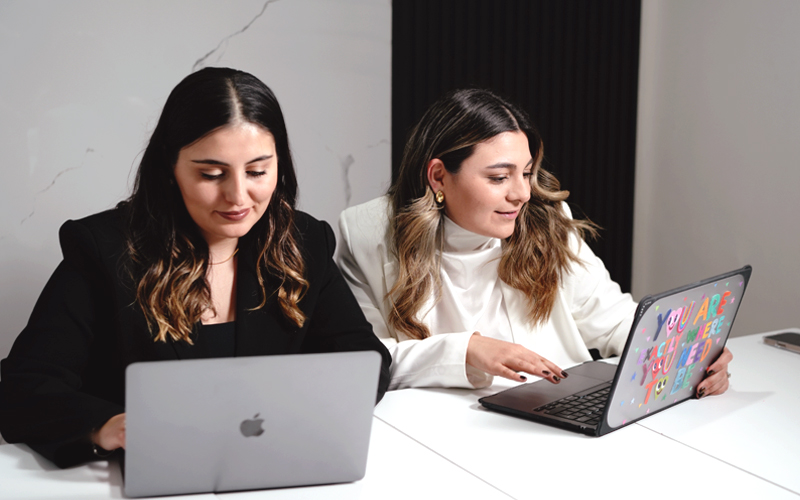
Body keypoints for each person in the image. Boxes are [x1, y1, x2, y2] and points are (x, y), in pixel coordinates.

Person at [0, 67, 391, 468]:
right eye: (211, 174)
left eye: (257, 171)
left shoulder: (304, 241)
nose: (238, 195)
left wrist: (296, 411)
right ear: (171, 169)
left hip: (274, 467)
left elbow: (366, 362)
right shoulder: (103, 249)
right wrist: (108, 426)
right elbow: (23, 388)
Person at [337, 88, 731, 395]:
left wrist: (689, 351)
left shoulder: (546, 220)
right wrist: (468, 350)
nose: (522, 193)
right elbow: (365, 360)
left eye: (526, 173)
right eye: (498, 177)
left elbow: (613, 320)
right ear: (438, 177)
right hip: (441, 433)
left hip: (555, 415)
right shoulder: (366, 235)